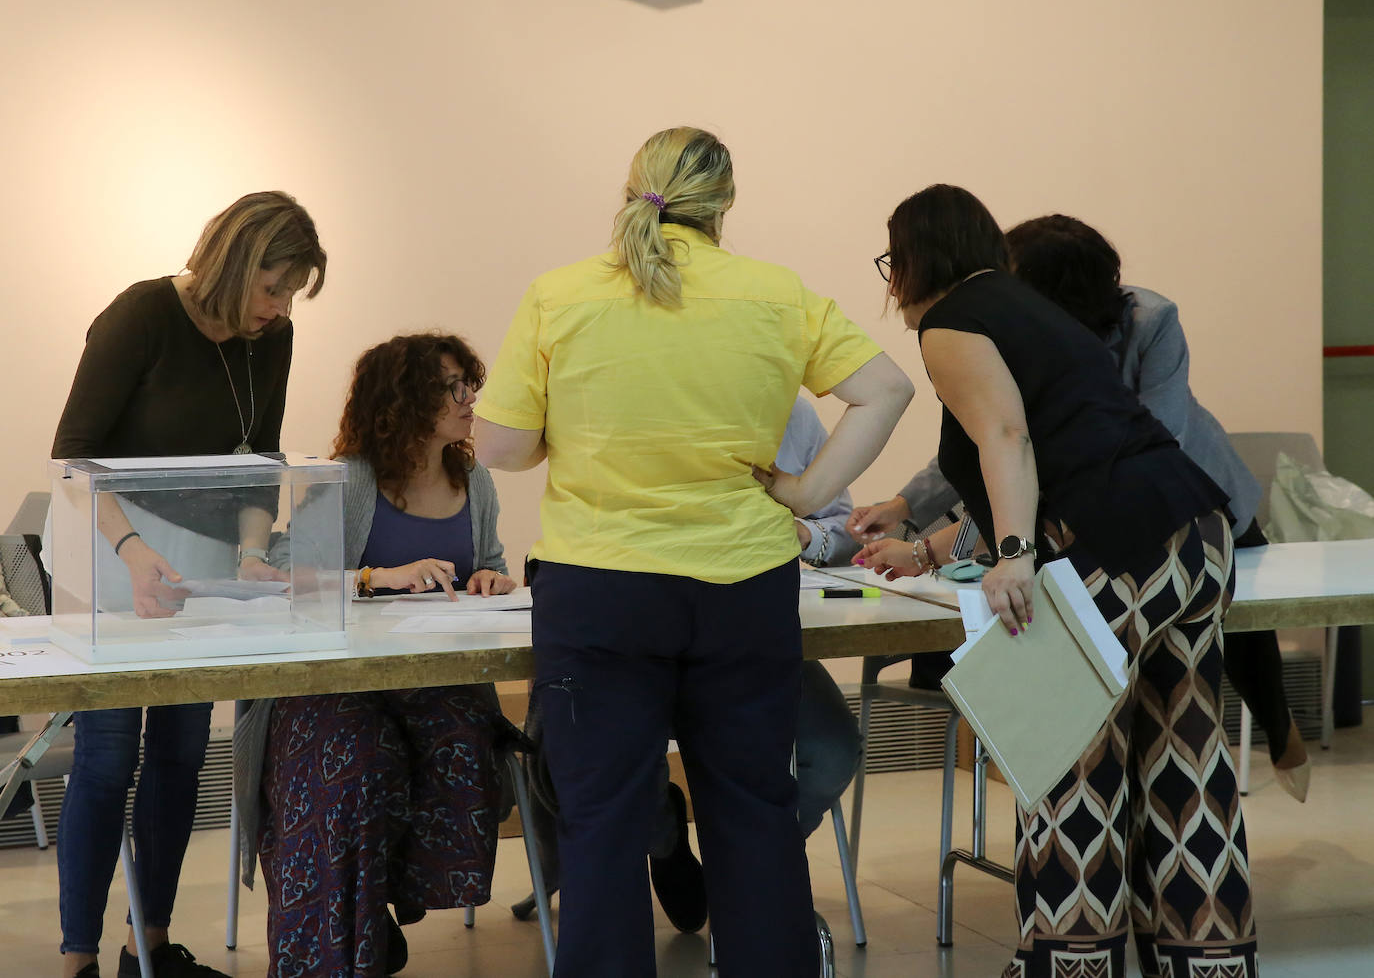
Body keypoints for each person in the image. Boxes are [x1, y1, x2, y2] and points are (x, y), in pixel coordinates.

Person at [475, 127, 912, 977]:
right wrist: (805, 491)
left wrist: (557, 441)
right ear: (726, 206)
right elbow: (887, 388)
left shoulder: (560, 294)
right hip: (741, 585)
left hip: (599, 586)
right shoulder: (775, 293)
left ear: (632, 188)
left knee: (602, 821)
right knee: (753, 809)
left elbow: (498, 444)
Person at [853, 185, 1257, 978]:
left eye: (890, 263)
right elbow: (1041, 453)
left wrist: (1011, 555)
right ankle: (1209, 961)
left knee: (1071, 764)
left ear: (911, 261)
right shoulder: (1020, 307)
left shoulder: (950, 323)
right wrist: (932, 548)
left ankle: (1074, 962)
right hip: (1193, 535)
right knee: (1188, 764)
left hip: (1110, 548)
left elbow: (1008, 438)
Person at [850, 213, 1310, 798]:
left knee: (1199, 687)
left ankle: (1279, 732)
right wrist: (910, 513)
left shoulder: (1145, 321)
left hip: (1178, 500)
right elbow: (993, 452)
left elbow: (1040, 455)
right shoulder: (1018, 332)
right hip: (1116, 523)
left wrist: (966, 549)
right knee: (1169, 736)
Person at [50, 191, 325, 978]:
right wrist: (133, 548)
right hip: (115, 559)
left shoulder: (272, 339)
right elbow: (72, 459)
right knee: (106, 758)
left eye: (291, 293)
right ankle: (78, 958)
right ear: (234, 261)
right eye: (271, 287)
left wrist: (248, 555)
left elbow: (256, 463)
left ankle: (149, 945)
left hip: (202, 570)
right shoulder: (141, 315)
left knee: (178, 754)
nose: (277, 307)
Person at [512, 397, 866, 934]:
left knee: (832, 749)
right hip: (631, 629)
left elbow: (841, 531)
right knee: (600, 757)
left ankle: (745, 870)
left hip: (746, 627)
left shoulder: (789, 409)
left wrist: (804, 535)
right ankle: (666, 836)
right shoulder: (624, 389)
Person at [233, 333, 516, 978]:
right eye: (453, 387)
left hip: (434, 681)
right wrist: (374, 578)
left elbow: (491, 566)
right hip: (335, 683)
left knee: (465, 740)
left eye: (470, 383)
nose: (470, 399)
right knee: (351, 761)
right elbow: (279, 572)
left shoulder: (475, 481)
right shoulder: (354, 480)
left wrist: (491, 581)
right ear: (406, 400)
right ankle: (352, 938)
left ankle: (385, 903)